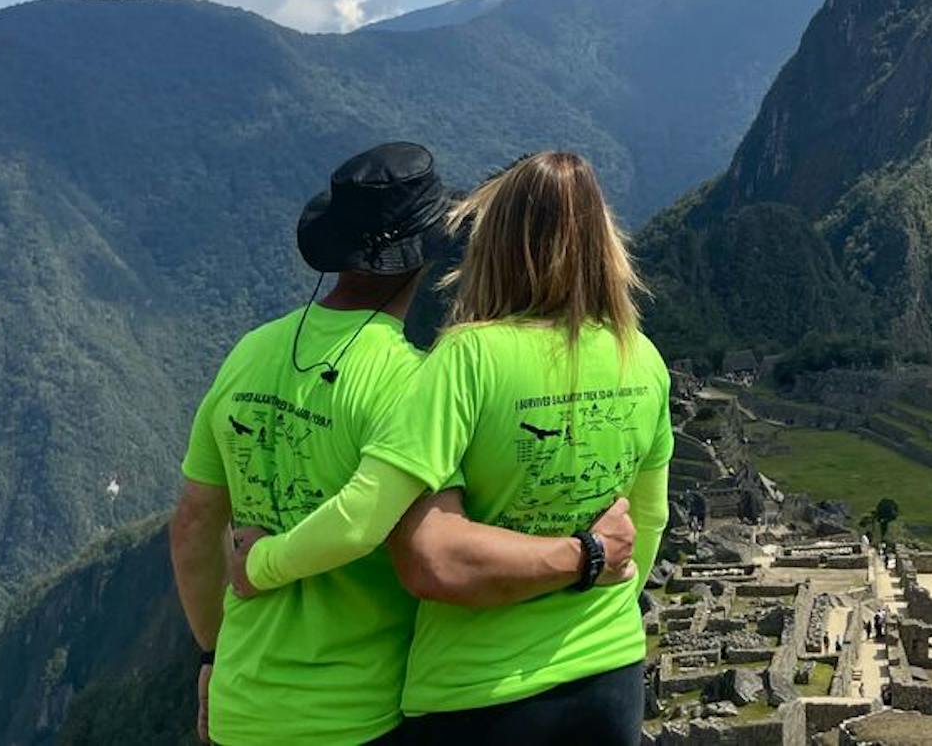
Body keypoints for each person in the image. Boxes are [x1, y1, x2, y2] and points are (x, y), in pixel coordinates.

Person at [170, 142, 636, 746]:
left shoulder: (247, 355)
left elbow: (192, 525)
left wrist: (210, 654)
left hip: (243, 707)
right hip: (361, 714)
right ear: (423, 254)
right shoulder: (415, 384)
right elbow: (433, 549)